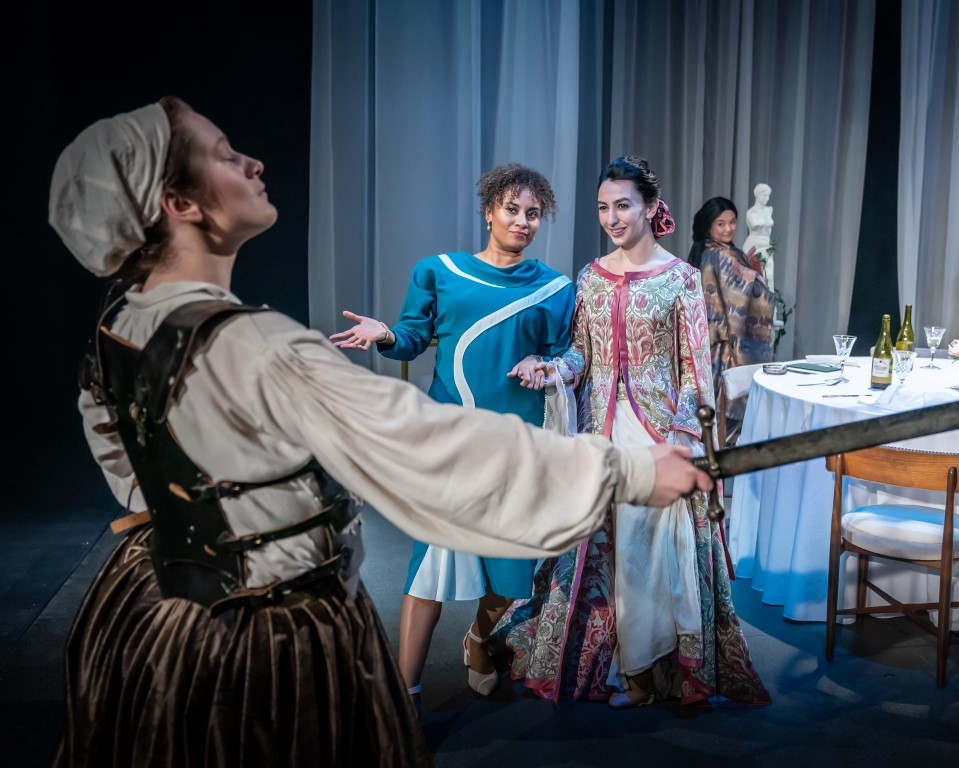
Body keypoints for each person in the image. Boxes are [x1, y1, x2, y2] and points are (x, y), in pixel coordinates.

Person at [47, 100, 713, 767]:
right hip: (256, 635)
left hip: (144, 613)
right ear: (177, 203)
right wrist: (627, 471)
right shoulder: (258, 346)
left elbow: (120, 454)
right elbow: (421, 442)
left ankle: (482, 642)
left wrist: (195, 517)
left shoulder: (119, 326)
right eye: (223, 153)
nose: (253, 161)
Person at [495, 156, 771, 710]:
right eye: (603, 208)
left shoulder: (681, 280)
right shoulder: (591, 278)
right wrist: (551, 369)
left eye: (623, 205)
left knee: (656, 555)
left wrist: (684, 439)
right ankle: (633, 674)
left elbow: (699, 370)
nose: (612, 218)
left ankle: (671, 671)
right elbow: (582, 355)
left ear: (650, 207)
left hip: (658, 435)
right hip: (600, 432)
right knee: (612, 555)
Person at [329, 163, 575, 713]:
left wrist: (548, 365)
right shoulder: (438, 271)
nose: (522, 221)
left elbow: (564, 356)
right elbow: (412, 337)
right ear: (489, 211)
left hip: (517, 446)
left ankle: (480, 640)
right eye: (511, 209)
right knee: (431, 569)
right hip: (453, 444)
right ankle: (404, 693)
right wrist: (387, 333)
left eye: (533, 213)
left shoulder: (557, 288)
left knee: (512, 583)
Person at [687, 196, 775, 445]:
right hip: (724, 352)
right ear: (709, 227)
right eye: (721, 224)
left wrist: (751, 271)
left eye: (733, 222)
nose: (728, 228)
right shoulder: (721, 256)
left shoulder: (708, 253)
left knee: (713, 426)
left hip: (709, 349)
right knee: (724, 428)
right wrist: (756, 277)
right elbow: (749, 292)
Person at [740, 182, 775, 290]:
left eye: (768, 195)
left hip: (766, 245)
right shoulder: (750, 213)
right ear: (757, 195)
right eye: (764, 195)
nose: (767, 198)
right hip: (753, 246)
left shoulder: (769, 210)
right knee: (753, 277)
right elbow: (755, 225)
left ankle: (768, 304)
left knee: (769, 276)